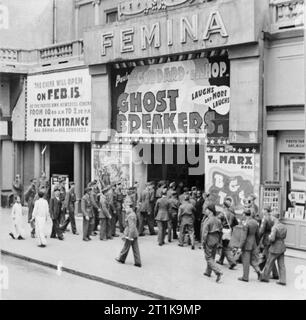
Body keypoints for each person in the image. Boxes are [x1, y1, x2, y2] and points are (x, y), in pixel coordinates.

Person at [260, 211, 287, 285]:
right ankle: (283, 280)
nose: (271, 218)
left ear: (274, 218)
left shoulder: (274, 227)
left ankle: (265, 277)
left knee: (269, 262)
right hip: (282, 246)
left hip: (275, 247)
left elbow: (272, 239)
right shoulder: (283, 226)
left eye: (272, 217)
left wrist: (269, 237)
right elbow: (284, 236)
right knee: (281, 264)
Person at [115, 197, 141, 267]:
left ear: (130, 208)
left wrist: (129, 236)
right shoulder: (132, 213)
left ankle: (121, 259)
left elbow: (132, 227)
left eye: (126, 208)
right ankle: (138, 262)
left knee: (126, 247)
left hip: (130, 234)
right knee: (135, 248)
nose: (125, 210)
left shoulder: (130, 215)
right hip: (134, 234)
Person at [237, 208, 261, 282]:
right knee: (253, 260)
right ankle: (259, 272)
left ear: (244, 214)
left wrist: (240, 247)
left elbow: (243, 237)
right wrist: (256, 243)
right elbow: (258, 235)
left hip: (247, 244)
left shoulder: (246, 224)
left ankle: (245, 277)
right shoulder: (255, 222)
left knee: (246, 261)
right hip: (253, 243)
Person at [202, 204, 223, 282]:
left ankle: (218, 271)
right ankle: (208, 272)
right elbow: (221, 231)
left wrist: (203, 242)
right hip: (216, 239)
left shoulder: (208, 220)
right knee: (212, 257)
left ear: (210, 211)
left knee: (208, 257)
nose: (205, 211)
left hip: (209, 239)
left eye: (206, 210)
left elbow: (204, 233)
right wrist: (219, 241)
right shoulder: (218, 220)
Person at [217, 198, 238, 269]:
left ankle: (232, 262)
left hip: (223, 231)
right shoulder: (232, 214)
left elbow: (217, 221)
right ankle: (221, 260)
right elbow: (236, 223)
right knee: (225, 245)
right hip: (229, 231)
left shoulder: (222, 213)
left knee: (225, 247)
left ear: (224, 206)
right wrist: (230, 227)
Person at [258, 205, 278, 278]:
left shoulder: (265, 218)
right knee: (265, 255)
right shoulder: (273, 218)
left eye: (263, 209)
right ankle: (259, 268)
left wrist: (258, 238)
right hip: (272, 237)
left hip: (266, 239)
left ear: (266, 210)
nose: (262, 211)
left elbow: (261, 230)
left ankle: (275, 274)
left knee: (268, 256)